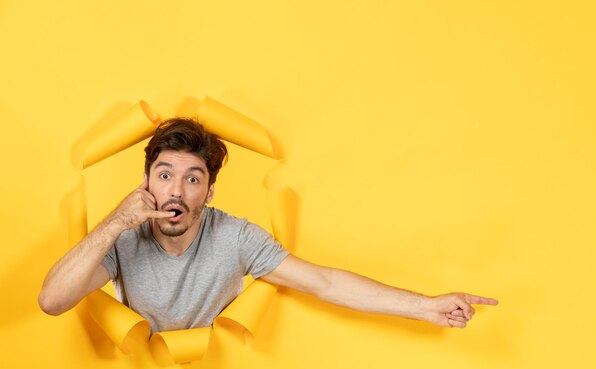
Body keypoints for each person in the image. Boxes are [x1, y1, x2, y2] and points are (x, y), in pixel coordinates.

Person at [39, 118, 498, 333]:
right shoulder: (123, 241)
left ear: (209, 192)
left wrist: (425, 307)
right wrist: (115, 221)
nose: (176, 190)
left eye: (192, 178)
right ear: (146, 183)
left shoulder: (235, 237)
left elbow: (325, 282)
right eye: (165, 175)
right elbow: (52, 301)